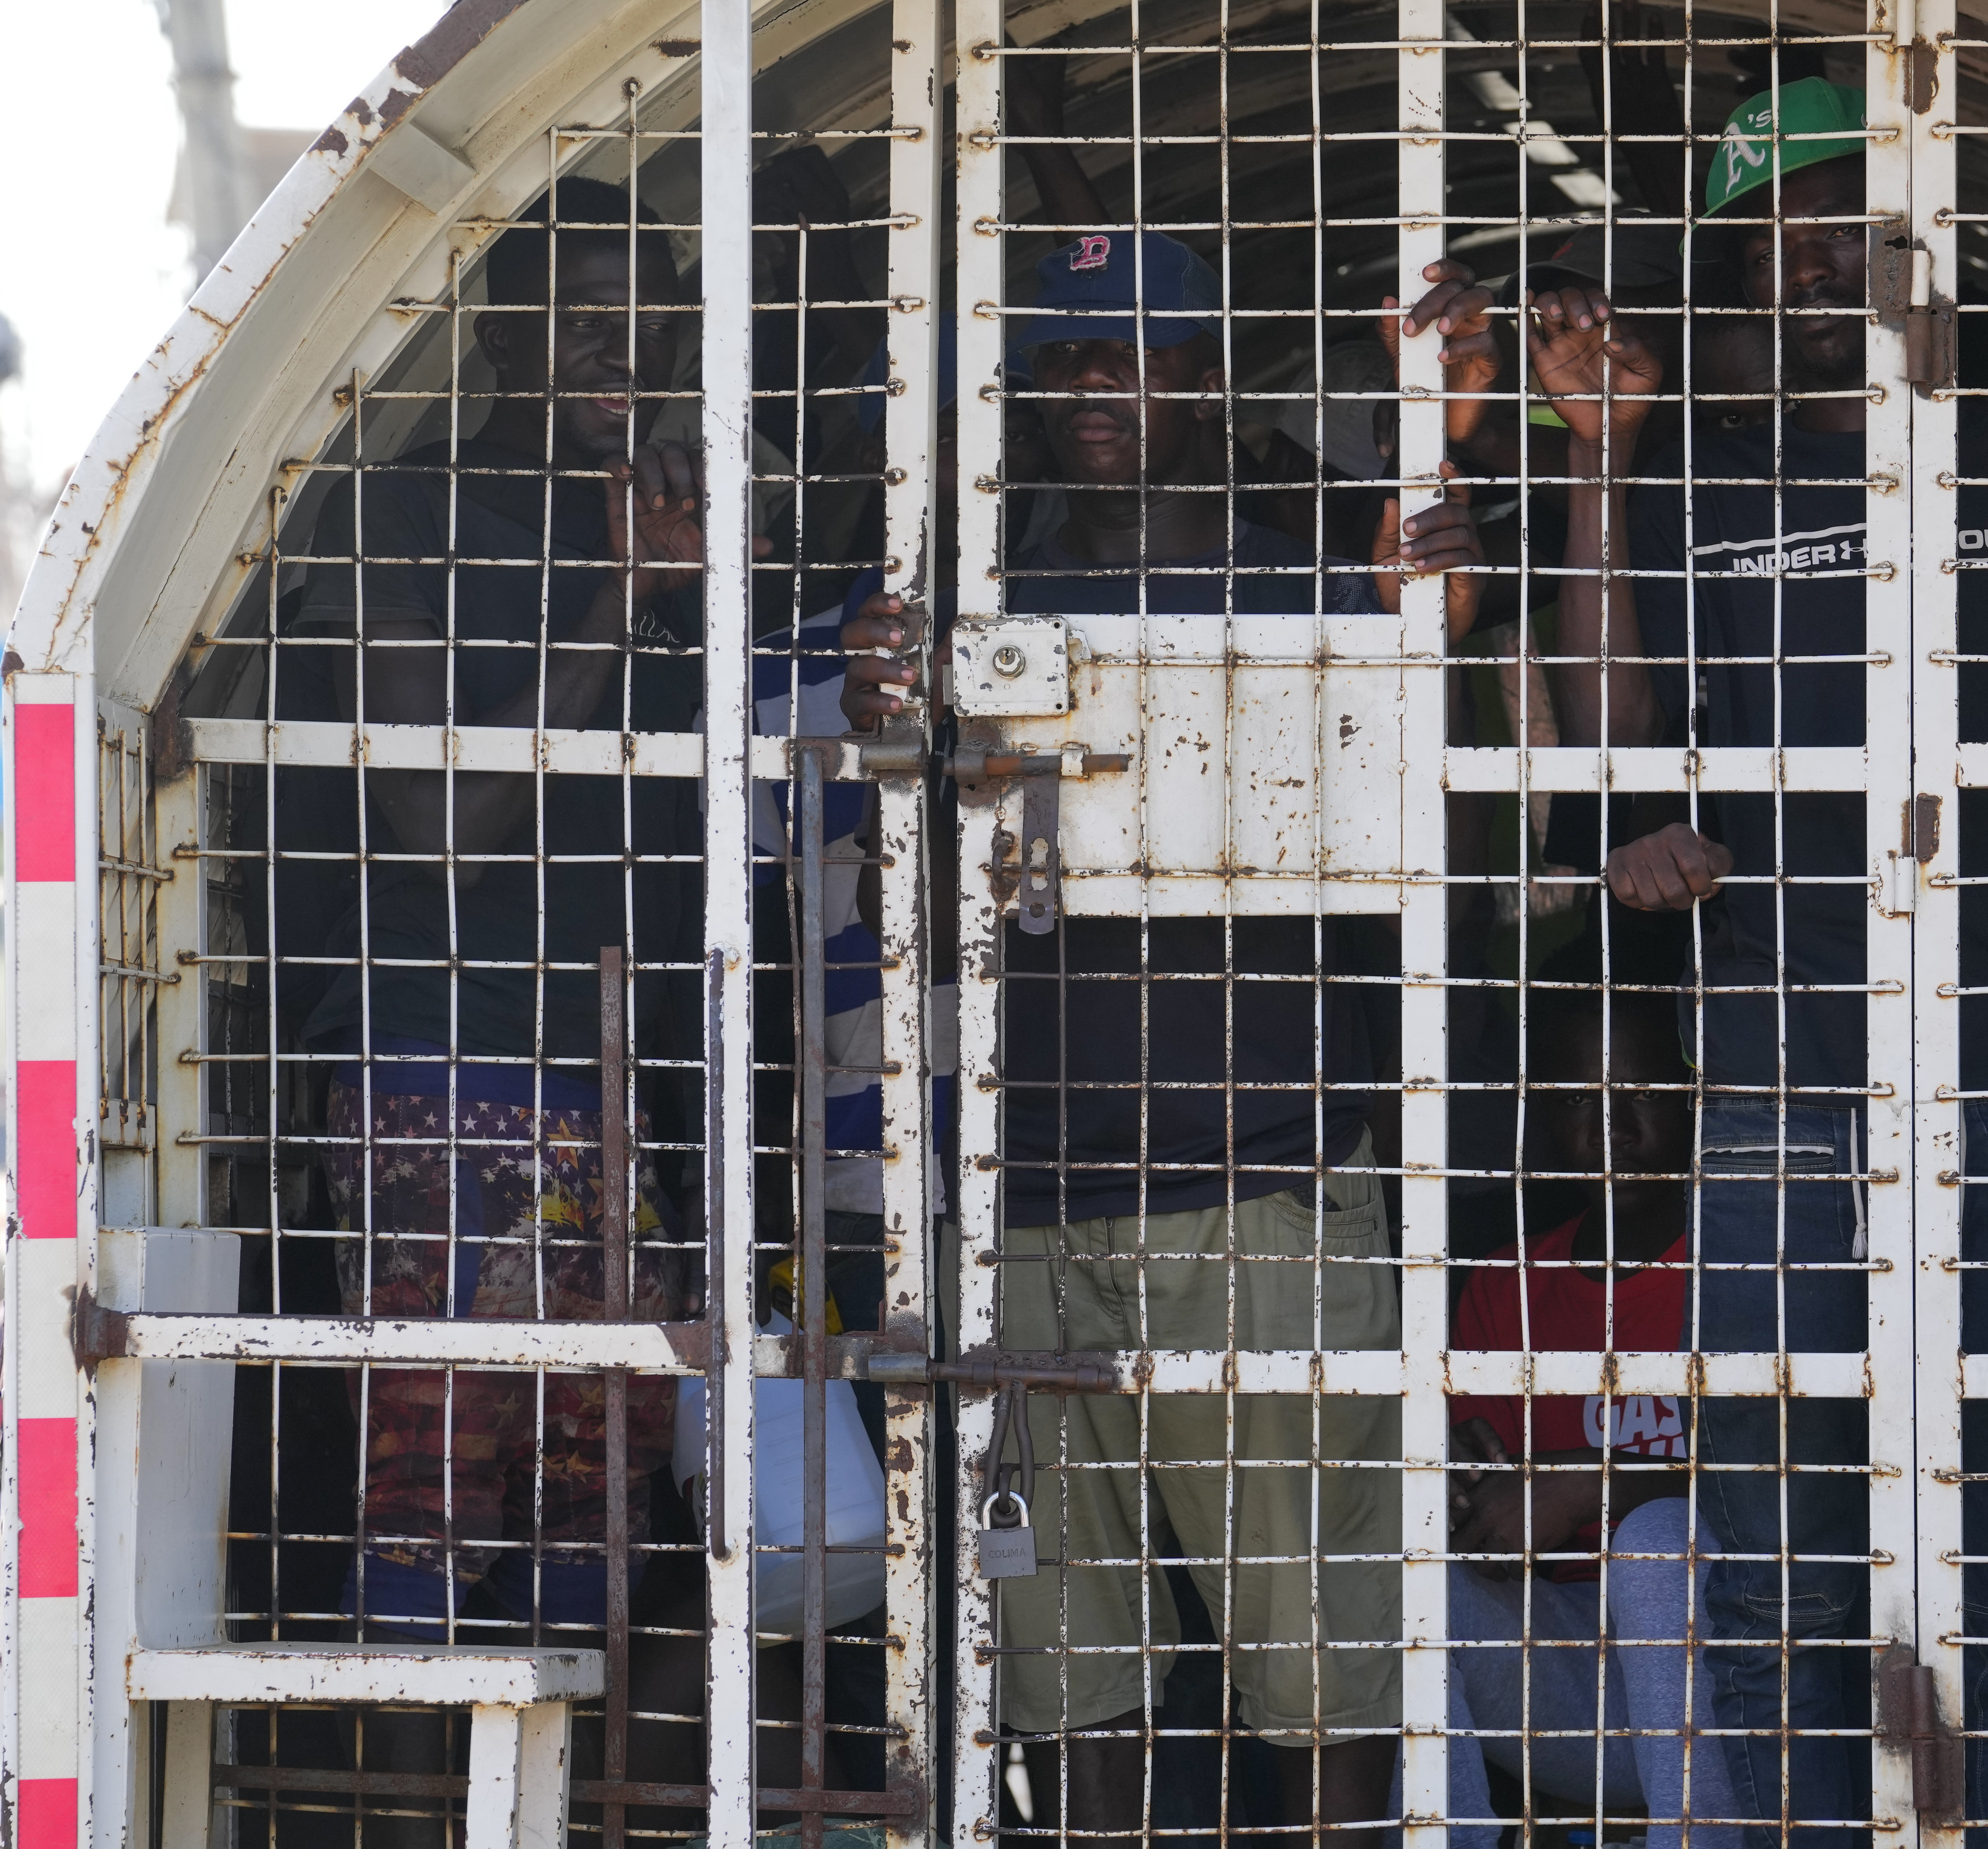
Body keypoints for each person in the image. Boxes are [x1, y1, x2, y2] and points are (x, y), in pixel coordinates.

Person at [1528, 78, 1988, 1846]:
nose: (1814, 255)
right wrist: (1598, 459)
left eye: (1844, 215)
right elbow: (1614, 720)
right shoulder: (1701, 469)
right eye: (1776, 234)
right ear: (1747, 273)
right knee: (1771, 1542)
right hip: (1775, 1057)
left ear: (1928, 238)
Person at [837, 233, 1491, 1849]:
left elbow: (1432, 848)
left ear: (1208, 374)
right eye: (1064, 361)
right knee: (1070, 1670)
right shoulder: (975, 603)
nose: (1094, 389)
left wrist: (1437, 641)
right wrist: (881, 721)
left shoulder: (1313, 585)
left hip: (1258, 1179)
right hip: (1030, 1180)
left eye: (1131, 353)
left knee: (1322, 1660)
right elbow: (895, 880)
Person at [296, 177, 702, 1643]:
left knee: (593, 1538)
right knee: (428, 1531)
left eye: (654, 325)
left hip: (617, 1079)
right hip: (442, 1073)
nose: (625, 357)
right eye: (589, 319)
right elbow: (444, 821)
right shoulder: (393, 506)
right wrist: (619, 595)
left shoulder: (673, 516)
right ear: (496, 330)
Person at [1441, 992, 1736, 1849]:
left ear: (1691, 1100)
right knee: (1410, 1570)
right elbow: (1486, 1496)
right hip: (1574, 1688)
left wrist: (1583, 1482)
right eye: (1577, 1100)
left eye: (1640, 1092)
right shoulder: (1507, 1284)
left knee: (1651, 1546)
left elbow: (1800, 1467)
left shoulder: (1748, 1258)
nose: (1610, 1124)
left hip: (1735, 1692)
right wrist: (1460, 1487)